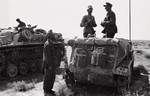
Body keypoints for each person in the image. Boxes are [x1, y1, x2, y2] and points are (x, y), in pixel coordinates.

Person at [43, 30, 57, 96]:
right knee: (48, 77)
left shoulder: (50, 43)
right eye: (51, 35)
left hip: (52, 64)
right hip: (49, 64)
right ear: (49, 36)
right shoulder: (47, 44)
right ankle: (46, 91)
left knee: (52, 77)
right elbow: (47, 56)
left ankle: (49, 90)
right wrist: (50, 65)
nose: (53, 36)